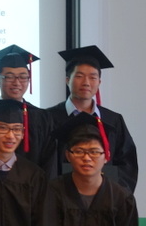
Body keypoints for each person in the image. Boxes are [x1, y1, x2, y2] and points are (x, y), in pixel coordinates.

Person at [41, 113, 146, 226]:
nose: (87, 158)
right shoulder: (53, 193)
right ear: (68, 155)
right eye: (79, 151)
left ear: (106, 156)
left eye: (95, 152)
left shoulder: (122, 198)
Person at [46, 45, 138, 193]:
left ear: (99, 82)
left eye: (93, 77)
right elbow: (42, 164)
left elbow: (127, 164)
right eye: (79, 76)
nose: (86, 82)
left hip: (105, 199)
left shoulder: (113, 120)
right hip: (59, 198)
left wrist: (115, 194)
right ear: (67, 80)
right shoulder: (47, 118)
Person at [0, 45, 56, 177]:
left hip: (32, 185)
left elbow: (49, 161)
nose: (17, 83)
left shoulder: (42, 118)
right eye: (9, 77)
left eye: (23, 77)